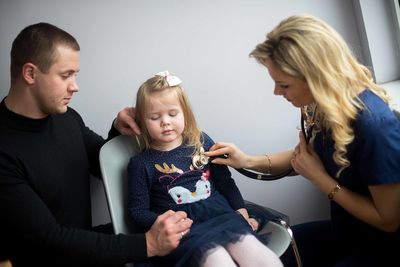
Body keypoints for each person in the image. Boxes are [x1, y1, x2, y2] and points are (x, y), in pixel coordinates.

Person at [205, 15, 400, 267]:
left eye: (284, 85)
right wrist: (246, 160)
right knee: (260, 254)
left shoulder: (375, 127)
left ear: (317, 77)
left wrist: (320, 178)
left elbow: (389, 219)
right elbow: (306, 158)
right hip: (347, 232)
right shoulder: (325, 107)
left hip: (383, 247)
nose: (277, 92)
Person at [0, 22, 192, 267]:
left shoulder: (66, 117)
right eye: (65, 75)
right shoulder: (4, 149)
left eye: (75, 75)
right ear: (30, 73)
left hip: (85, 248)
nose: (75, 86)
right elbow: (49, 239)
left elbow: (100, 164)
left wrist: (118, 129)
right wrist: (148, 244)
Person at [127, 71, 283, 267]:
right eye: (155, 117)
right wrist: (167, 224)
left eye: (172, 114)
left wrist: (240, 209)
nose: (165, 121)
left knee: (262, 258)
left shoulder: (201, 141)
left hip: (221, 216)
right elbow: (137, 211)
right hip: (185, 231)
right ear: (142, 121)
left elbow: (225, 182)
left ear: (185, 112)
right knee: (219, 261)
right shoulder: (141, 163)